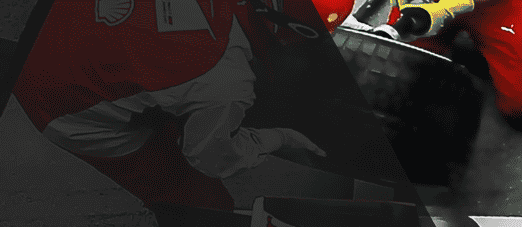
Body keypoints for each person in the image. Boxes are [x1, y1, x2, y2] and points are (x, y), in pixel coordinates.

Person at [10, 0, 348, 212]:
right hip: (56, 100)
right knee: (197, 198)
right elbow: (211, 159)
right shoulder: (226, 82)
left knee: (172, 100)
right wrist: (279, 138)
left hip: (52, 20)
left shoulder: (220, 79)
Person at [385, 0, 522, 131]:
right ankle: (457, 42)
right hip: (428, 4)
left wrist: (450, 7)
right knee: (400, 85)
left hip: (493, 6)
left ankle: (473, 45)